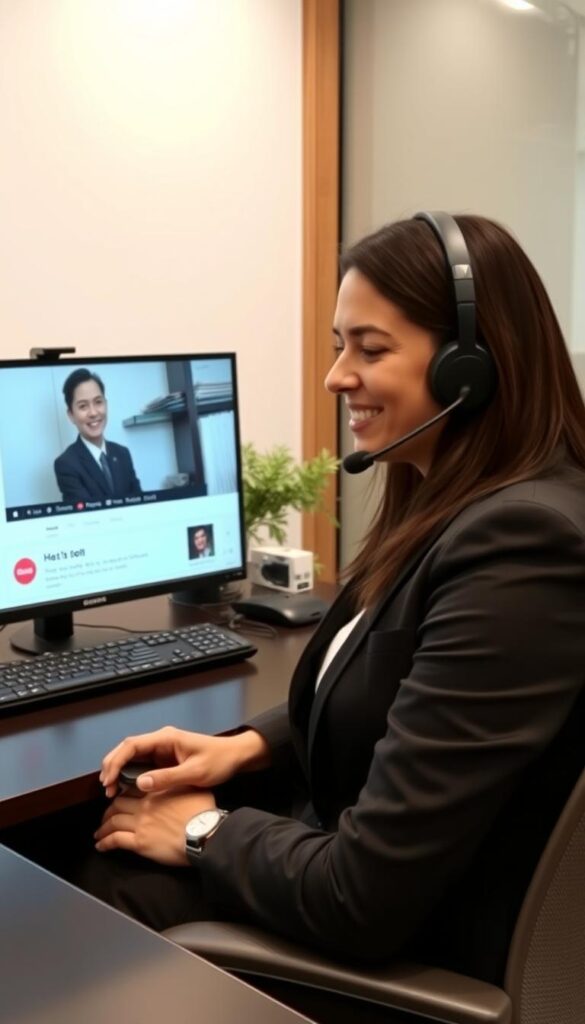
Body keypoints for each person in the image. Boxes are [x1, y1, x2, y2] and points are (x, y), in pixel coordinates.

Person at [77, 213, 585, 992]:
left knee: (77, 898)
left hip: (414, 948)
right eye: (337, 345)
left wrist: (206, 831)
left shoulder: (520, 545)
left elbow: (362, 896)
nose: (335, 376)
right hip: (390, 891)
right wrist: (250, 745)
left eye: (369, 349)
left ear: (469, 372)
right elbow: (404, 681)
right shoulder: (464, 501)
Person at [54, 368, 142, 502]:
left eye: (98, 402)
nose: (93, 413)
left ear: (106, 404)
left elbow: (139, 502)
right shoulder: (66, 464)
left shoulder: (123, 454)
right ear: (71, 415)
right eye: (83, 406)